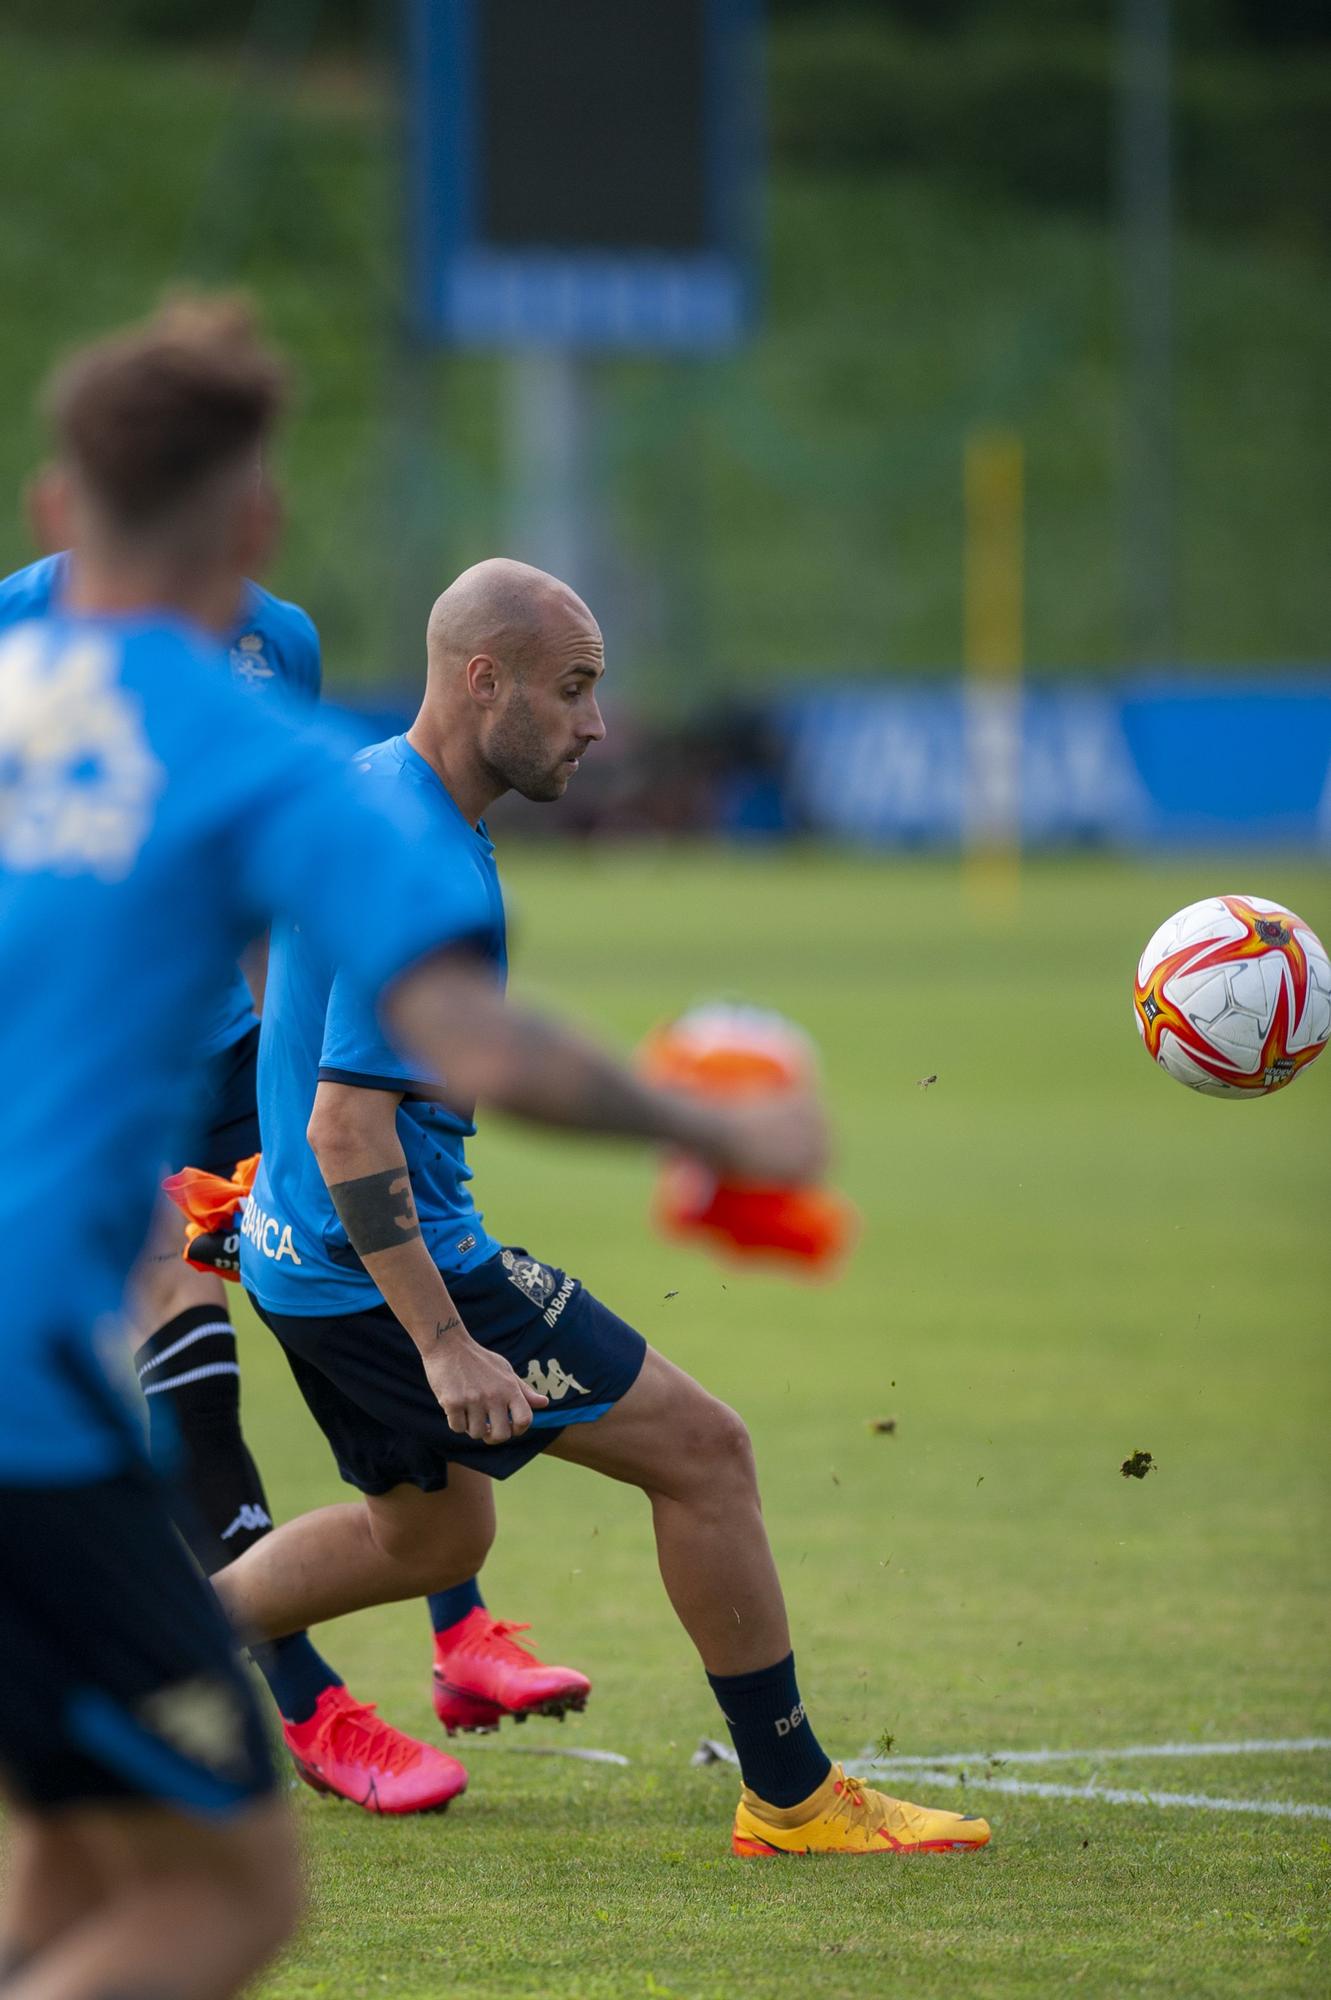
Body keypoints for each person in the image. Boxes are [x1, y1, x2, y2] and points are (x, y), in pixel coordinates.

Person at [0, 295, 828, 2000]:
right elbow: (457, 1045)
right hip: (38, 1400)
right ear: (256, 526)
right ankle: (793, 1791)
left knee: (81, 1852)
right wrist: (722, 1123)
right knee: (218, 1900)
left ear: (54, 510)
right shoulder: (259, 752)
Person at [225, 557, 993, 1859]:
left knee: (428, 1537)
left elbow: (277, 978)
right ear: (484, 682)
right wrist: (442, 1339)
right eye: (572, 690)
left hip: (304, 1257)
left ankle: (102, 1660)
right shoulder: (431, 863)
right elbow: (348, 1122)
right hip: (390, 1264)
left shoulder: (359, 790)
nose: (595, 725)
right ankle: (792, 1795)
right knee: (704, 1453)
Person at [0, 551, 590, 1821]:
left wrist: (301, 1072)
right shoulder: (29, 621)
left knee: (361, 1295)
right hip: (97, 1063)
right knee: (192, 1358)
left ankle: (459, 1624)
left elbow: (275, 869)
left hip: (238, 1050)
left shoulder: (278, 635)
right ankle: (308, 1702)